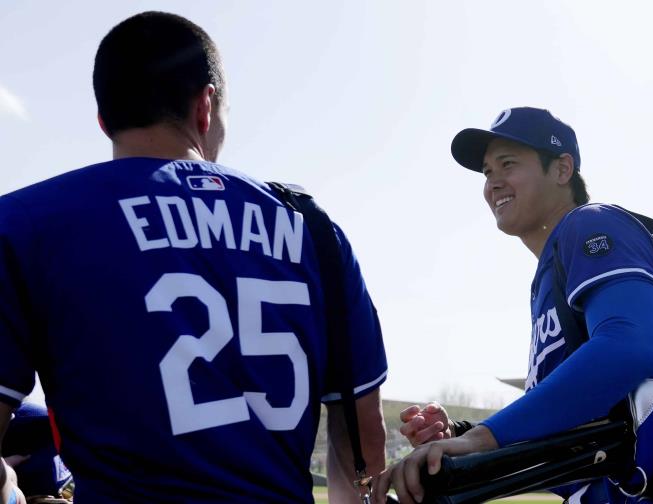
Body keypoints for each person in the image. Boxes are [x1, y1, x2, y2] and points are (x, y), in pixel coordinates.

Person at [0, 11, 387, 503]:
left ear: (103, 119)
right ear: (206, 106)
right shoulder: (312, 228)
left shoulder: (26, 222)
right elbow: (363, 445)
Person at [375, 107, 653, 504]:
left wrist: (483, 438)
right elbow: (573, 426)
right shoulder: (550, 272)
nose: (493, 183)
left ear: (562, 169)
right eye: (486, 172)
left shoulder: (590, 224)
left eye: (507, 164)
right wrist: (463, 434)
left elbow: (626, 349)